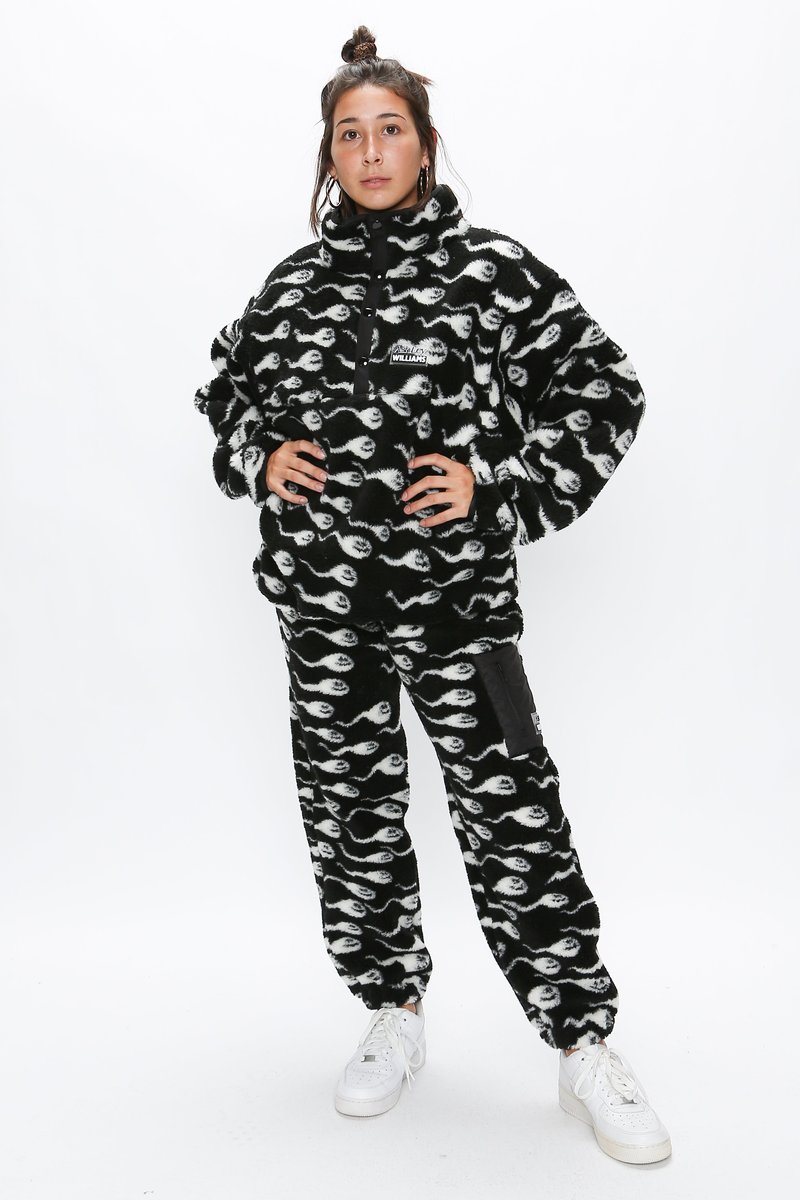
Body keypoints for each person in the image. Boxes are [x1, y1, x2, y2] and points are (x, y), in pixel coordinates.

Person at [193, 23, 671, 1166]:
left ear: (424, 142)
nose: (369, 151)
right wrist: (257, 451)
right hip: (322, 614)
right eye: (347, 134)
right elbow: (223, 385)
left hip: (457, 610)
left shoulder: (489, 275)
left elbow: (605, 389)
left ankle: (582, 1041)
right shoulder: (291, 288)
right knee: (349, 816)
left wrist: (498, 488)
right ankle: (390, 1011)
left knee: (512, 816)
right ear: (328, 154)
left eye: (389, 129)